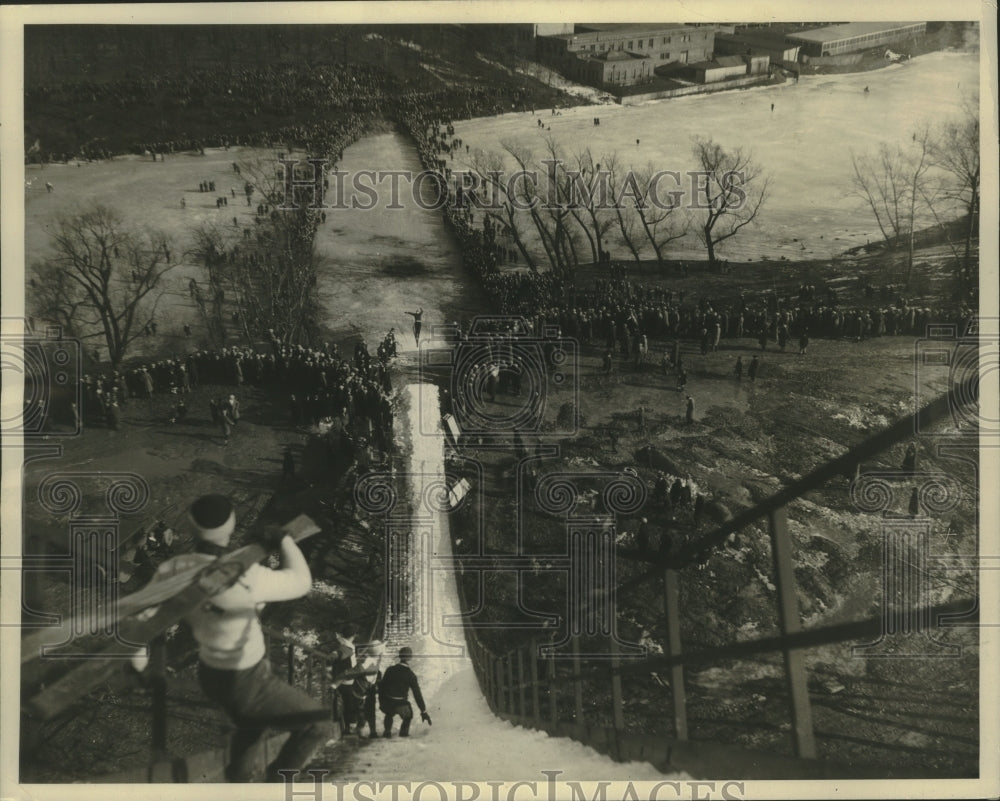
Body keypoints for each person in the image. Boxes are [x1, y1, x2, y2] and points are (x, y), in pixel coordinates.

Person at [130, 495, 331, 782]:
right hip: (247, 680)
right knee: (318, 725)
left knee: (251, 727)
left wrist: (139, 667)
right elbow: (301, 582)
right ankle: (274, 787)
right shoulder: (244, 573)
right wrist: (282, 539)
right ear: (232, 525)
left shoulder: (172, 570)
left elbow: (139, 620)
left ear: (190, 527)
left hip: (211, 673)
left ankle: (237, 785)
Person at [379, 646, 430, 737]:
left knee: (389, 714)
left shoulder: (390, 670)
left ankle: (387, 731)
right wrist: (423, 711)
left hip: (387, 702)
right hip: (401, 703)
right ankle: (403, 732)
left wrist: (382, 701)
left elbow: (382, 687)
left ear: (399, 656)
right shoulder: (410, 674)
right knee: (409, 716)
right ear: (410, 658)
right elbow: (417, 694)